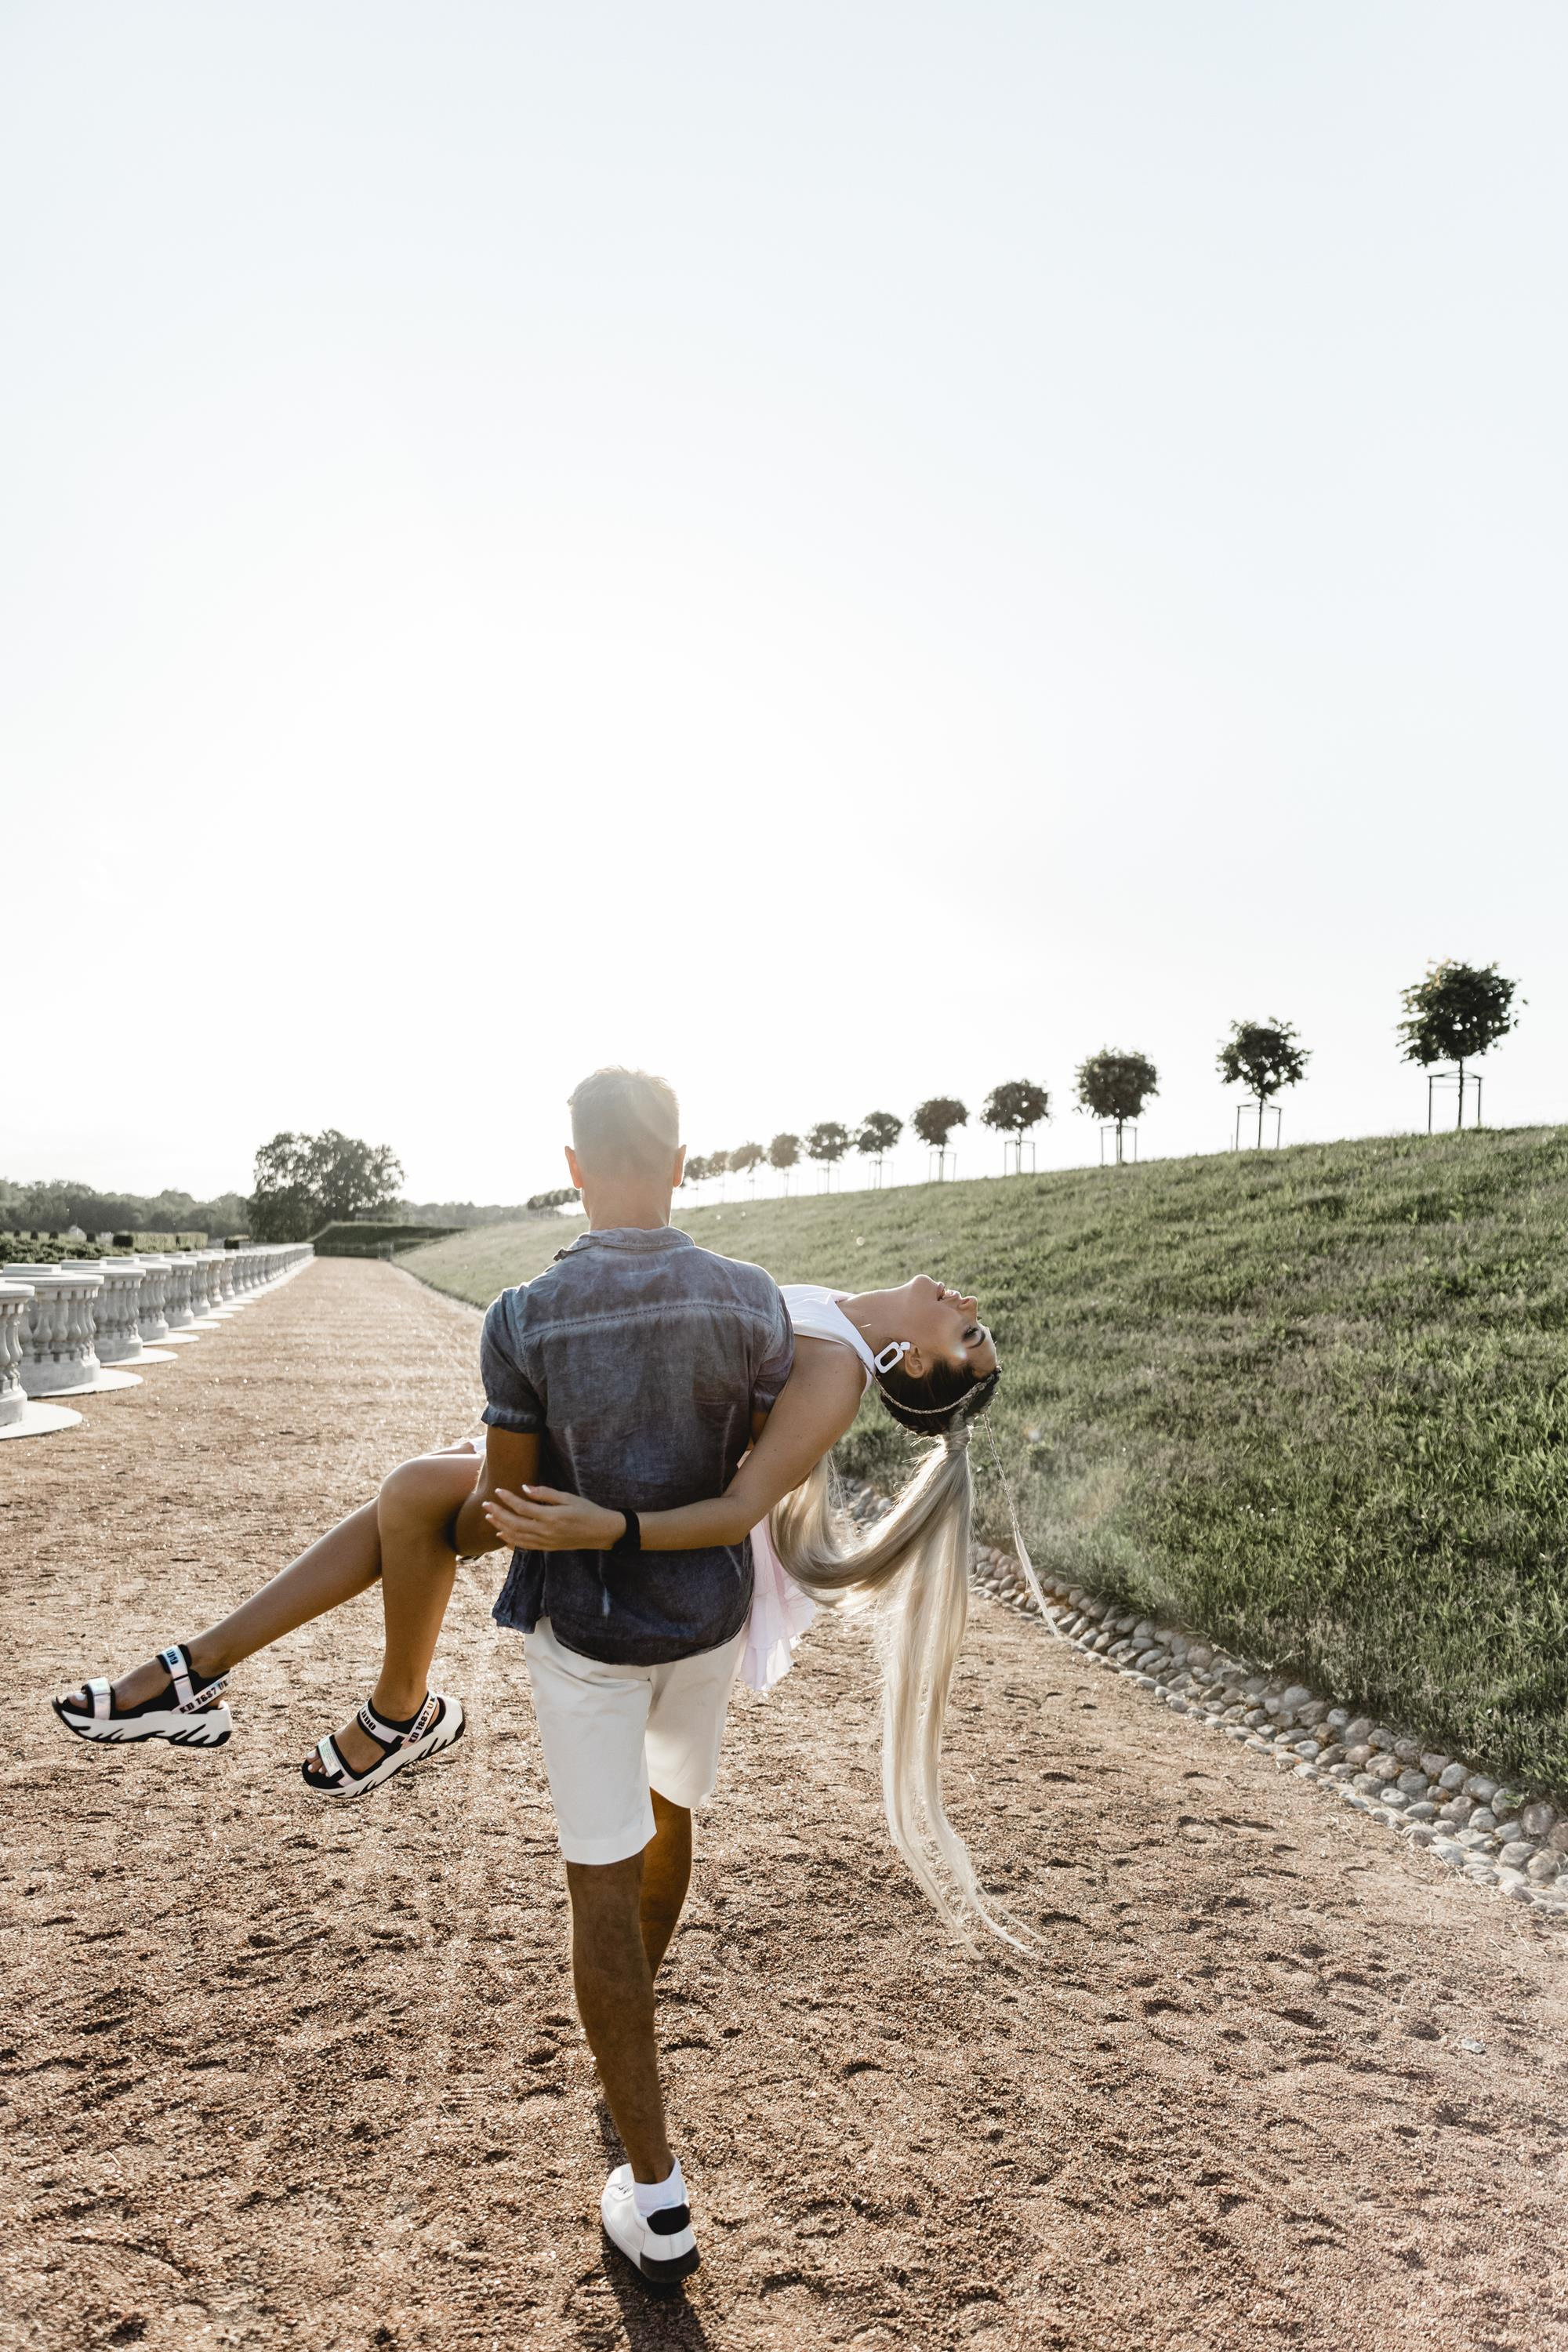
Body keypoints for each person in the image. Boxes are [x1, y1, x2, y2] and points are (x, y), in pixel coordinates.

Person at [53, 1065, 1007, 2284]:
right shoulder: (788, 1307)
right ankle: (232, 1676)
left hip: (621, 1523)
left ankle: (343, 1701)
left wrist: (593, 1499)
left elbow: (734, 1492)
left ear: (914, 1369)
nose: (966, 1308)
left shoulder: (831, 1362)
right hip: (613, 1482)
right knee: (425, 1520)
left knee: (414, 1506)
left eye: (967, 1339)